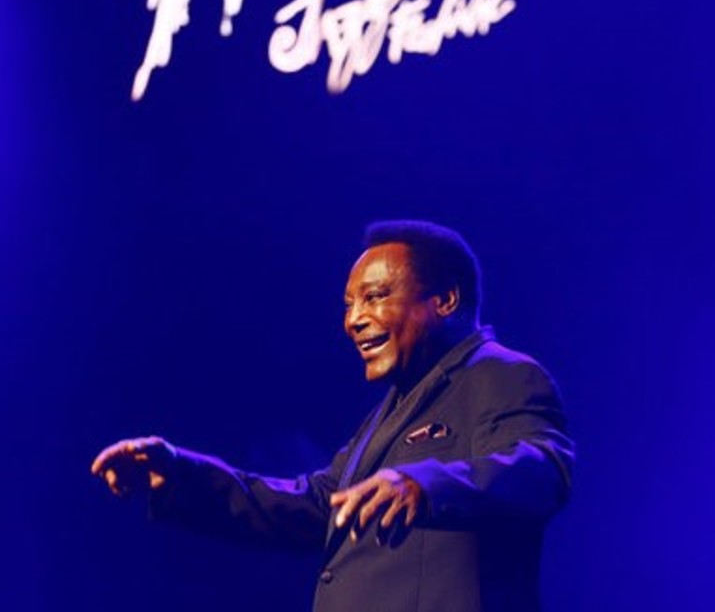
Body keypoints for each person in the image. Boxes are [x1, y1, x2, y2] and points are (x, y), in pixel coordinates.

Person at [92, 220, 574, 612]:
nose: (354, 319)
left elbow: (542, 469)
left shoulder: (499, 373)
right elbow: (320, 504)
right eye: (349, 305)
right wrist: (181, 474)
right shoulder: (392, 409)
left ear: (445, 300)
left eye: (375, 296)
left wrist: (424, 484)